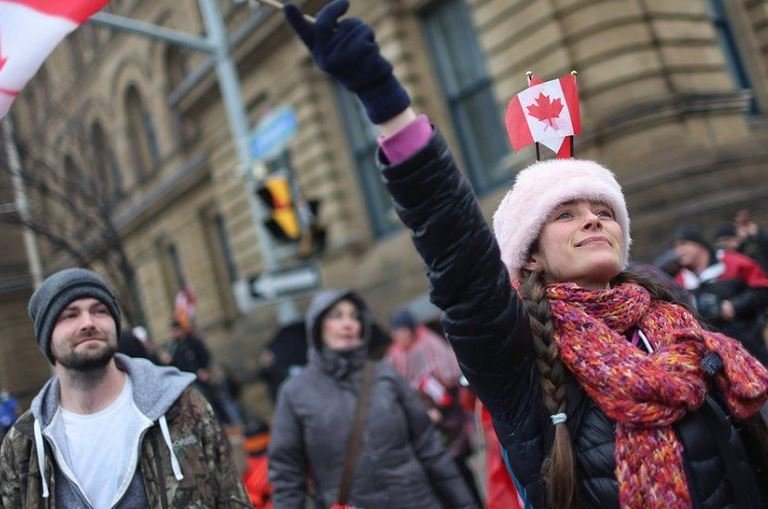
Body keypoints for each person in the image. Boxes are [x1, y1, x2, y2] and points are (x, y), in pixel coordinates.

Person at [282, 2, 768, 508]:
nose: (592, 219)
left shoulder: (678, 322)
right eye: (565, 214)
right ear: (530, 256)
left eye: (603, 209)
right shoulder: (517, 349)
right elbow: (456, 248)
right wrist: (386, 105)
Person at [0, 268, 250, 508]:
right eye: (70, 315)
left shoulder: (183, 408)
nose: (88, 322)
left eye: (100, 311)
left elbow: (232, 499)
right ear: (47, 338)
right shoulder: (24, 444)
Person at [268, 289, 477, 508]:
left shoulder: (386, 375)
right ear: (318, 326)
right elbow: (287, 477)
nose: (348, 324)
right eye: (337, 316)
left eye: (354, 316)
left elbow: (430, 451)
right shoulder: (295, 393)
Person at [386, 308, 482, 505]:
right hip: (420, 421)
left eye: (401, 330)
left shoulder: (429, 344)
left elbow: (450, 375)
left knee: (458, 467)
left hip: (448, 417)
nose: (399, 336)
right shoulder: (394, 355)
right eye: (395, 332)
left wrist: (439, 408)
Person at [674, 224, 768, 365]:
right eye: (676, 246)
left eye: (683, 244)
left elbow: (763, 289)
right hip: (715, 356)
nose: (678, 251)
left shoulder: (734, 263)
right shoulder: (678, 282)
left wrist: (734, 307)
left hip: (751, 347)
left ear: (699, 245)